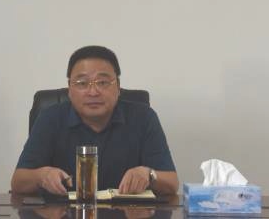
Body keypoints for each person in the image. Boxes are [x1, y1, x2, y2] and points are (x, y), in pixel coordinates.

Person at [11, 46, 178, 195]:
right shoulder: (49, 118)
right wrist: (41, 176)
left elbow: (172, 183)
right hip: (64, 213)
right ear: (70, 89)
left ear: (118, 86)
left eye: (103, 82)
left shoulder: (143, 117)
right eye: (82, 83)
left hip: (128, 212)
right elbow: (18, 181)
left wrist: (149, 174)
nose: (93, 92)